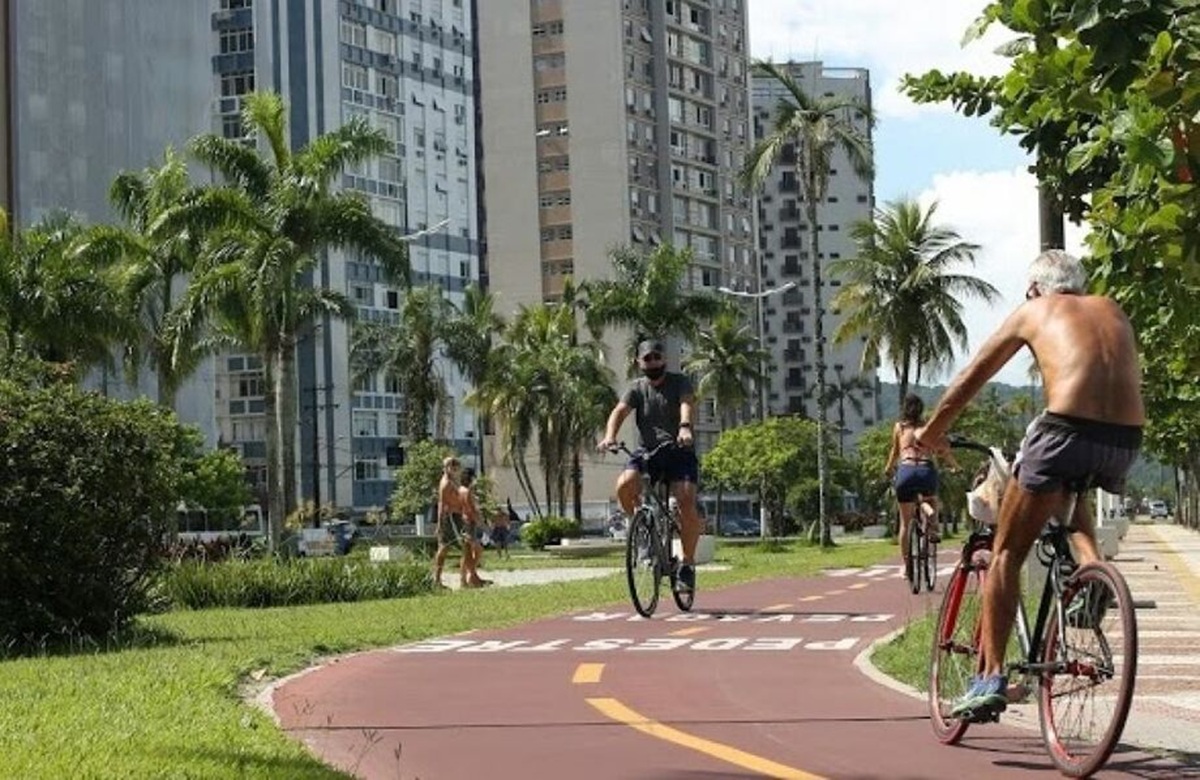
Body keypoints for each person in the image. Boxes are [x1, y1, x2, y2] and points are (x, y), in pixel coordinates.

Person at [913, 249, 1145, 721]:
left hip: (1063, 431)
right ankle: (1093, 570)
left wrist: (931, 434)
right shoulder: (1112, 308)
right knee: (1069, 489)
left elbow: (972, 375)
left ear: (1036, 289)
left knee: (1004, 554)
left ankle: (991, 677)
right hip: (1125, 440)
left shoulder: (1033, 309)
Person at [597, 338, 702, 592]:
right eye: (647, 358)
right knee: (624, 485)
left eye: (657, 357)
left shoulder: (680, 382)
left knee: (686, 499)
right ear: (639, 362)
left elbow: (686, 404)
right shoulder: (636, 388)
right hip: (648, 452)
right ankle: (640, 529)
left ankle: (686, 565)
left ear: (664, 359)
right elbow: (619, 411)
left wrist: (684, 427)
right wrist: (610, 436)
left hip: (679, 450)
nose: (653, 362)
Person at [883, 393, 959, 572]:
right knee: (930, 499)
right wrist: (955, 466)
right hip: (925, 470)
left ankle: (908, 566)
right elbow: (943, 450)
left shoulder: (899, 428)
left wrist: (887, 470)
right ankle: (932, 526)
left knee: (905, 522)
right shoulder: (928, 427)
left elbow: (895, 452)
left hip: (906, 472)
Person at [433, 456, 487, 589]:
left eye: (456, 466)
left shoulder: (453, 481)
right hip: (450, 517)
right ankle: (439, 579)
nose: (454, 469)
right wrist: (440, 524)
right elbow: (441, 504)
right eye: (451, 466)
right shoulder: (446, 484)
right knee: (449, 547)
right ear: (445, 468)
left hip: (457, 517)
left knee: (464, 547)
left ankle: (469, 578)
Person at [457, 467, 489, 586]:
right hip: (469, 523)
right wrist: (481, 523)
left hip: (465, 522)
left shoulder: (460, 490)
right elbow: (471, 510)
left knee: (467, 552)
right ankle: (471, 576)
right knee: (476, 549)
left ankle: (466, 578)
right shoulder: (467, 491)